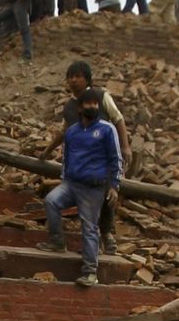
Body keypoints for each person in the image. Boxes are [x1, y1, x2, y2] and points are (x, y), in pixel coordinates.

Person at [48, 61, 131, 254]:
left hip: (104, 156)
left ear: (87, 78)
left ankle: (106, 234)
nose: (73, 80)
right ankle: (90, 244)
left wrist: (125, 146)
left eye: (77, 76)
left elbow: (118, 119)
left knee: (107, 193)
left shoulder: (101, 97)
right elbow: (64, 131)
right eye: (70, 77)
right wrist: (48, 150)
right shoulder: (70, 107)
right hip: (81, 160)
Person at [45, 88, 122, 288]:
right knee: (51, 201)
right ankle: (57, 242)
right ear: (80, 108)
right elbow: (66, 158)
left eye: (96, 104)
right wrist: (64, 179)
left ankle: (90, 272)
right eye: (89, 104)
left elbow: (115, 159)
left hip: (93, 188)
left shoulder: (106, 129)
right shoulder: (72, 132)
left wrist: (114, 186)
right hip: (72, 184)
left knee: (89, 227)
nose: (93, 107)